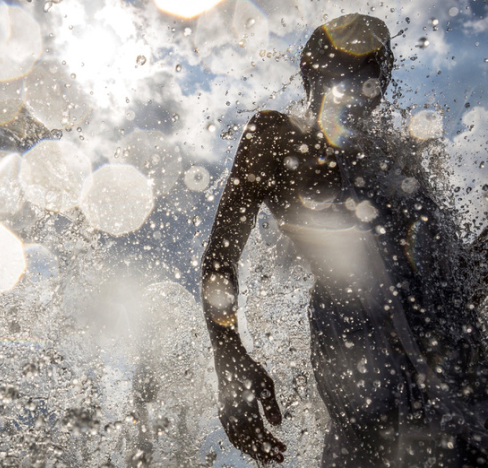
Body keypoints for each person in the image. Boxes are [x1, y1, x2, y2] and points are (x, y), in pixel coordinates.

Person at [201, 14, 488, 466]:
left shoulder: (402, 160)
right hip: (354, 352)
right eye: (344, 66)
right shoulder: (276, 137)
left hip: (456, 365)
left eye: (372, 72)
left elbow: (452, 289)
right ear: (309, 70)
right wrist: (230, 359)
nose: (358, 82)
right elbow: (219, 259)